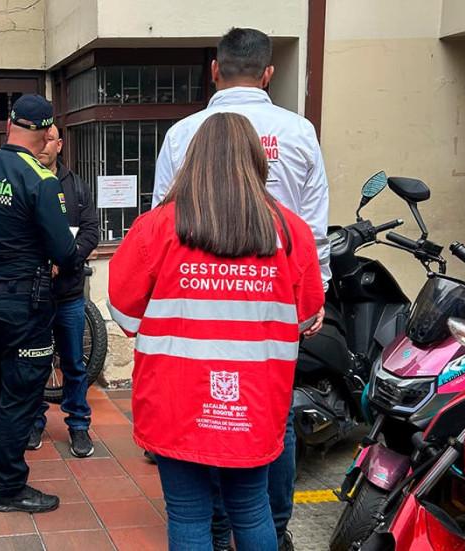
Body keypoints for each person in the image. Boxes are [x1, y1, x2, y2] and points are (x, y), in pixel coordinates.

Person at [110, 112, 325, 551]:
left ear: (194, 160)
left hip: (174, 399)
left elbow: (124, 312)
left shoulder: (156, 227)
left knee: (188, 513)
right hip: (256, 400)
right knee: (250, 507)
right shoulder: (291, 232)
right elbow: (306, 316)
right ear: (257, 162)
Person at [151, 27, 329, 551]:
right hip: (275, 305)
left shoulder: (184, 133)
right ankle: (274, 524)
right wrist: (309, 299)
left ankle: (215, 525)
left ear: (214, 69)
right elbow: (314, 227)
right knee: (273, 412)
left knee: (195, 416)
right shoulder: (297, 131)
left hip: (191, 307)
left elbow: (163, 220)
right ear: (268, 73)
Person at [0, 94, 79, 514]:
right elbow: (65, 252)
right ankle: (11, 487)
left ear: (9, 122)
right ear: (48, 130)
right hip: (24, 302)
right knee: (21, 395)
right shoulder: (41, 179)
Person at [28, 126, 100, 457]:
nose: (43, 145)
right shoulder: (23, 179)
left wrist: (66, 258)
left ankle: (79, 426)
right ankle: (34, 424)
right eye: (39, 138)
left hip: (69, 293)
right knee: (34, 364)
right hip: (34, 294)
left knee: (73, 363)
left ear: (60, 144)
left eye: (50, 139)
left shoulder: (77, 187)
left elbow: (90, 231)